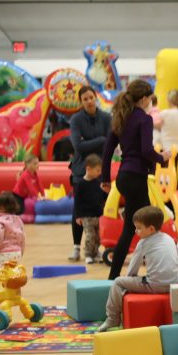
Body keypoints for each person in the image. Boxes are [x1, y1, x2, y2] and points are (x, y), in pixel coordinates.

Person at [101, 79, 169, 280]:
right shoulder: (144, 119)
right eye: (150, 98)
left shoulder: (121, 116)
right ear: (144, 98)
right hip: (136, 177)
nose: (151, 102)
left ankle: (114, 276)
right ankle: (158, 271)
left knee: (131, 228)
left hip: (122, 177)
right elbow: (147, 151)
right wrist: (162, 157)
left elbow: (107, 150)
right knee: (152, 224)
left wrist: (105, 178)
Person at [98, 206, 178, 333]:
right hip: (176, 283)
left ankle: (112, 319)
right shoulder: (169, 238)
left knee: (118, 282)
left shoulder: (143, 243)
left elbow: (132, 270)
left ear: (151, 229)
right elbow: (174, 262)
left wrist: (129, 282)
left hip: (153, 286)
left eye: (138, 228)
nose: (136, 231)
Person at [69, 86, 111, 261]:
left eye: (91, 97)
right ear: (81, 102)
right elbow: (77, 146)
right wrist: (100, 140)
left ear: (96, 98)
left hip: (101, 169)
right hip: (81, 169)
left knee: (100, 207)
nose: (88, 101)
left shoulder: (107, 117)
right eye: (85, 99)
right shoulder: (76, 119)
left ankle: (98, 247)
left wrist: (90, 142)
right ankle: (77, 247)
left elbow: (110, 143)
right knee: (79, 209)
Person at [73, 154, 107, 264]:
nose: (99, 173)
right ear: (88, 169)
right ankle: (88, 254)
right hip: (86, 216)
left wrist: (107, 193)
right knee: (90, 236)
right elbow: (77, 202)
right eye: (97, 170)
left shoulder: (97, 183)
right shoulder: (80, 184)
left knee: (98, 237)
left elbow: (101, 197)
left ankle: (96, 252)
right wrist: (78, 216)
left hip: (98, 215)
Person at [0, 191, 25, 267]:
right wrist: (21, 250)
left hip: (4, 253)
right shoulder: (17, 219)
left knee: (3, 275)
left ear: (1, 208)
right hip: (17, 253)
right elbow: (22, 236)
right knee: (14, 275)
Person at [158, 89, 178, 160]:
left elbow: (157, 126)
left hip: (164, 150)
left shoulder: (165, 113)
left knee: (162, 171)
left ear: (169, 100)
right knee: (174, 171)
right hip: (176, 151)